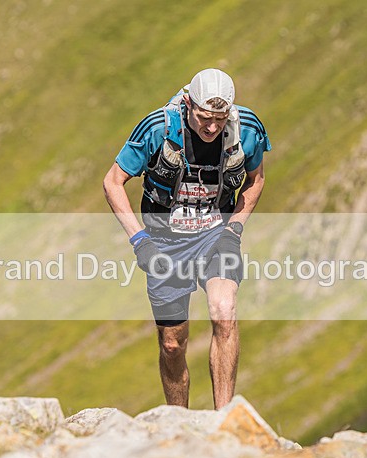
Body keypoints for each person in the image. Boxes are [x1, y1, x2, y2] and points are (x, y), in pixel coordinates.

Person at [103, 68, 271, 409]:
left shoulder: (247, 129)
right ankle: (177, 421)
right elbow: (113, 182)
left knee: (224, 312)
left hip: (216, 234)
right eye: (204, 118)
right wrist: (140, 241)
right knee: (172, 344)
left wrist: (234, 230)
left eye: (220, 119)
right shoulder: (157, 128)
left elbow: (256, 180)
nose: (212, 128)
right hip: (165, 241)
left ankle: (223, 421)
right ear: (188, 104)